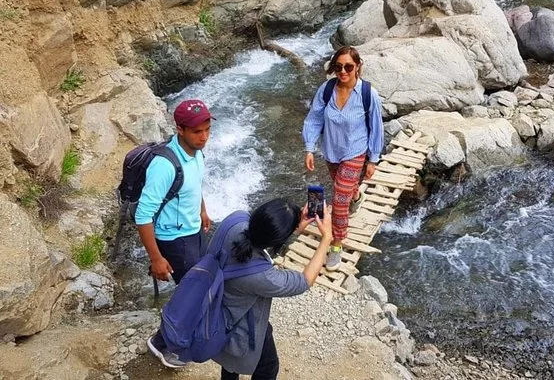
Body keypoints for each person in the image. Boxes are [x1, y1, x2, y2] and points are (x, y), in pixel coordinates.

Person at [215, 198, 333, 380]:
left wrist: (293, 229)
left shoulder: (236, 220)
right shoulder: (263, 277)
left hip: (218, 307)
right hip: (240, 322)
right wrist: (326, 239)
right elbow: (305, 281)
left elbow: (259, 244)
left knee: (230, 365)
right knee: (267, 368)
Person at [137, 99, 214, 368]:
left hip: (193, 230)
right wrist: (156, 258)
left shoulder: (196, 152)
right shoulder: (164, 165)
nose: (204, 137)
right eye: (197, 132)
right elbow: (143, 215)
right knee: (193, 294)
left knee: (201, 286)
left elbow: (193, 184)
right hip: (174, 240)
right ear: (179, 129)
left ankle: (178, 336)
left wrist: (202, 210)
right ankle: (163, 344)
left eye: (207, 130)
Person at [302, 46, 384, 271]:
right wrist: (309, 148)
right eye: (338, 67)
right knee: (345, 190)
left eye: (348, 66)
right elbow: (314, 119)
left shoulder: (368, 94)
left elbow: (376, 128)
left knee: (339, 201)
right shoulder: (326, 89)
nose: (343, 71)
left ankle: (336, 244)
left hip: (355, 151)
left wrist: (373, 160)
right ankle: (356, 195)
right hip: (332, 151)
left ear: (357, 66)